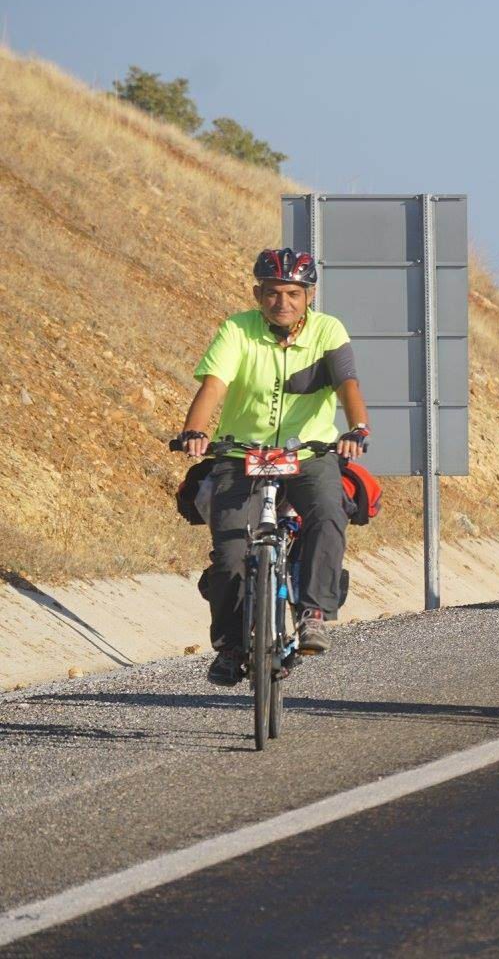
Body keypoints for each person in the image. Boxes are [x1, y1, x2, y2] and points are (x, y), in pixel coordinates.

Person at [177, 248, 371, 686]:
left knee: (327, 511)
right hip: (240, 455)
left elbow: (347, 384)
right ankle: (229, 645)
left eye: (293, 293)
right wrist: (194, 430)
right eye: (271, 293)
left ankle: (313, 612)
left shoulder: (327, 331)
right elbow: (214, 385)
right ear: (256, 294)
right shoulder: (237, 330)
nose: (282, 302)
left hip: (308, 454)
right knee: (228, 555)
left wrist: (357, 427)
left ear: (309, 295)